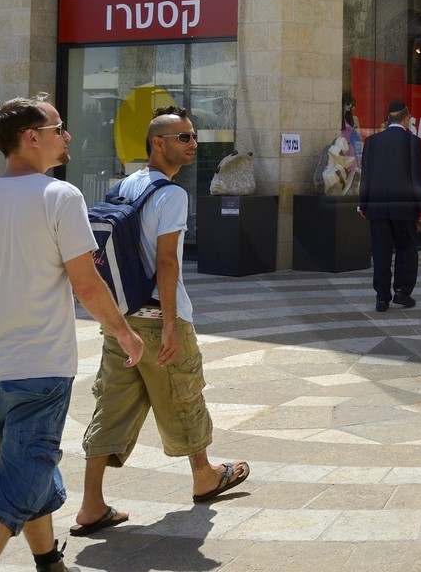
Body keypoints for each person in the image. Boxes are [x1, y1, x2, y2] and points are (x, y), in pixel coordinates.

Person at [0, 95, 144, 572]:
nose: (67, 136)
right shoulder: (60, 196)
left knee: (29, 468)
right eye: (59, 128)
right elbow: (85, 283)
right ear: (31, 137)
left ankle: (47, 560)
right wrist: (123, 332)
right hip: (41, 370)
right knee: (16, 486)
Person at [77, 107, 250, 533]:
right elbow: (168, 262)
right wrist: (171, 324)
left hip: (122, 318)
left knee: (112, 402)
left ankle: (91, 504)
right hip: (157, 314)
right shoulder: (172, 195)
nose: (193, 144)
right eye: (183, 138)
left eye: (193, 137)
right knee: (184, 392)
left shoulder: (126, 184)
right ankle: (204, 476)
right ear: (159, 143)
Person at [359, 97, 421, 310]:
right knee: (406, 248)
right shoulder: (412, 142)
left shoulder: (372, 142)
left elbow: (366, 176)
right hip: (404, 207)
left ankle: (382, 297)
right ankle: (402, 291)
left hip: (378, 207)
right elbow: (416, 177)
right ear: (406, 119)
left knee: (380, 251)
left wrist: (363, 204)